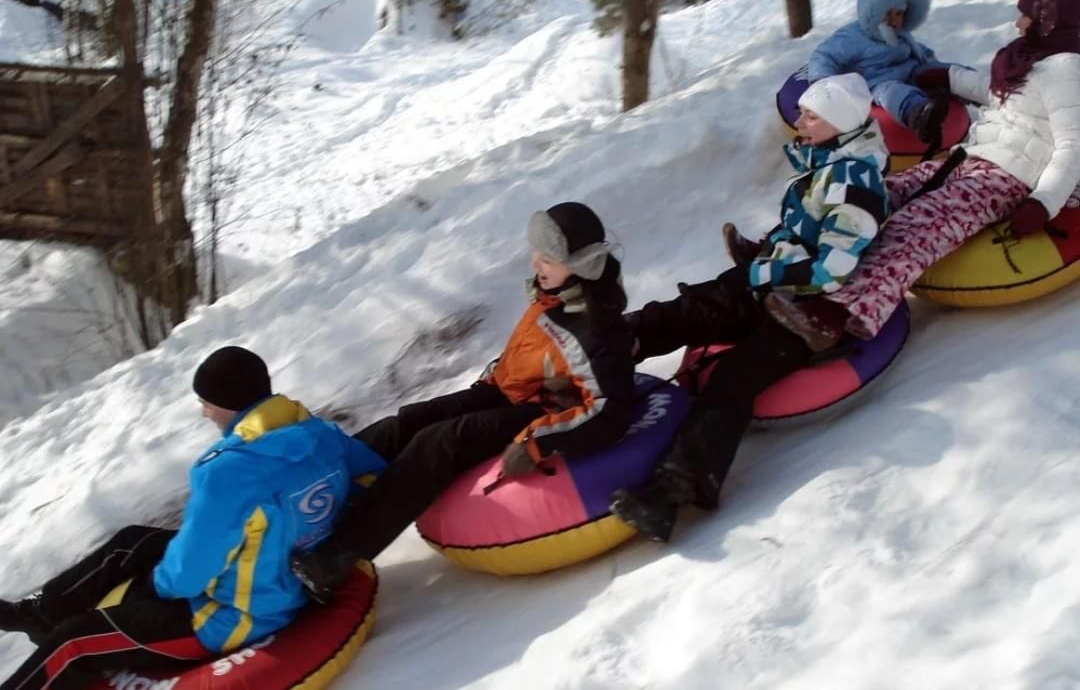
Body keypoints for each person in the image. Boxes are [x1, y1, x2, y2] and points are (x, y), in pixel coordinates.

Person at [290, 202, 637, 598]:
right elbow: (539, 351)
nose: (536, 263)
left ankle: (336, 557)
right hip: (507, 390)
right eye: (535, 253)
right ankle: (309, 491)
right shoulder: (556, 292)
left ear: (581, 262)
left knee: (437, 444)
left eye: (548, 258)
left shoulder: (595, 326)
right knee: (405, 423)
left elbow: (611, 409)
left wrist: (538, 442)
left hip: (543, 411)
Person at [0, 346, 386, 689]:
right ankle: (38, 611)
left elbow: (189, 574)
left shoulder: (227, 472)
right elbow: (371, 478)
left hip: (238, 613)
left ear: (229, 402)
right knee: (134, 540)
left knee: (73, 643)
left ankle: (47, 636)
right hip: (285, 574)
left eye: (207, 402)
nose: (204, 412)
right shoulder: (320, 434)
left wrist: (151, 587)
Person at [610, 73, 890, 542]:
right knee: (691, 308)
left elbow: (834, 267)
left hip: (807, 312)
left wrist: (762, 273)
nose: (799, 120)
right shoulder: (830, 161)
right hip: (775, 284)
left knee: (733, 380)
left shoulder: (855, 180)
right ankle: (605, 348)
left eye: (811, 115)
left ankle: (673, 494)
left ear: (839, 122)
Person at [770, 0, 1080, 352]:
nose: (1018, 23)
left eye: (1026, 16)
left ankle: (835, 314)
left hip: (1009, 178)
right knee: (868, 191)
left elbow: (1072, 146)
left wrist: (1043, 203)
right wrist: (949, 77)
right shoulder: (1031, 58)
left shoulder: (1066, 69)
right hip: (972, 159)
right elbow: (1000, 96)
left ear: (1048, 18)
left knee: (917, 224)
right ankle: (784, 256)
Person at [808, 0, 953, 146]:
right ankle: (919, 116)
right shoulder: (852, 36)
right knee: (892, 92)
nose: (893, 20)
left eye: (898, 13)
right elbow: (825, 55)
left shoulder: (901, 35)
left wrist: (931, 60)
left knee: (946, 71)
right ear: (871, 12)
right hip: (876, 81)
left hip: (909, 72)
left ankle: (983, 88)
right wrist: (822, 86)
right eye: (887, 14)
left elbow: (919, 49)